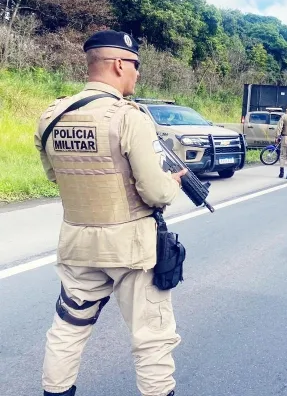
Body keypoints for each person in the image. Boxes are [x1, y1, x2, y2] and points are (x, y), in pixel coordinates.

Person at [34, 30, 186, 396]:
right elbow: (155, 191)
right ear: (119, 64)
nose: (137, 73)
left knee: (68, 327)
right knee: (152, 338)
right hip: (130, 247)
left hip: (77, 243)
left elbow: (56, 175)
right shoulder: (128, 118)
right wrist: (174, 184)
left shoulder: (51, 116)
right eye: (136, 65)